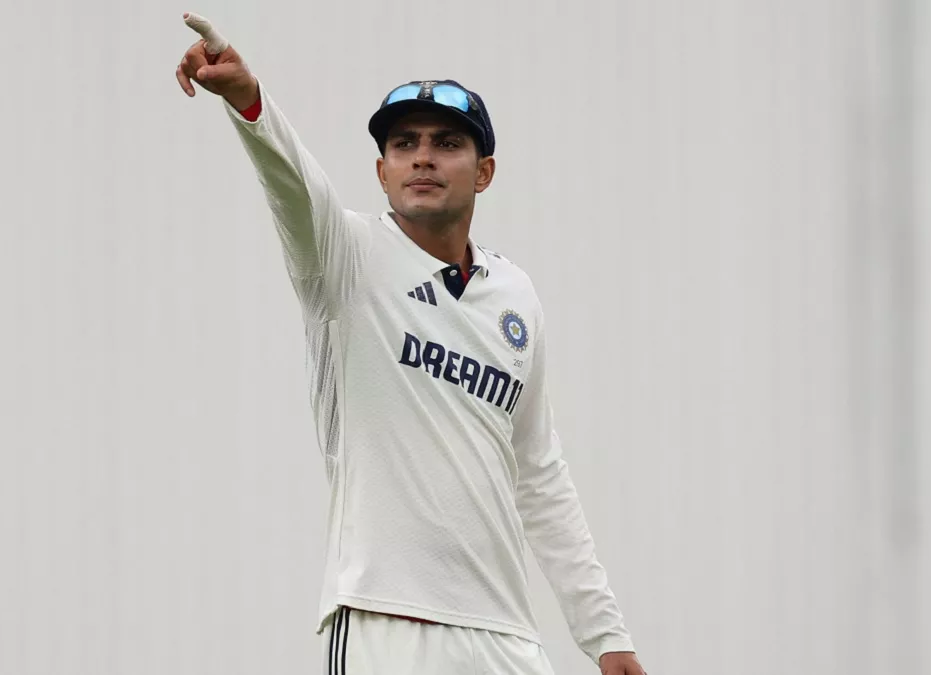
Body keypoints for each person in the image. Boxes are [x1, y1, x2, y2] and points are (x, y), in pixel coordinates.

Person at [175, 12, 649, 675]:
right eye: (404, 143)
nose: (423, 156)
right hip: (385, 623)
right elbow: (291, 185)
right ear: (382, 169)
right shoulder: (345, 256)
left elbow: (539, 473)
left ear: (484, 172)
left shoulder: (515, 295)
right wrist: (248, 101)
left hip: (507, 636)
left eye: (447, 142)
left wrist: (605, 633)